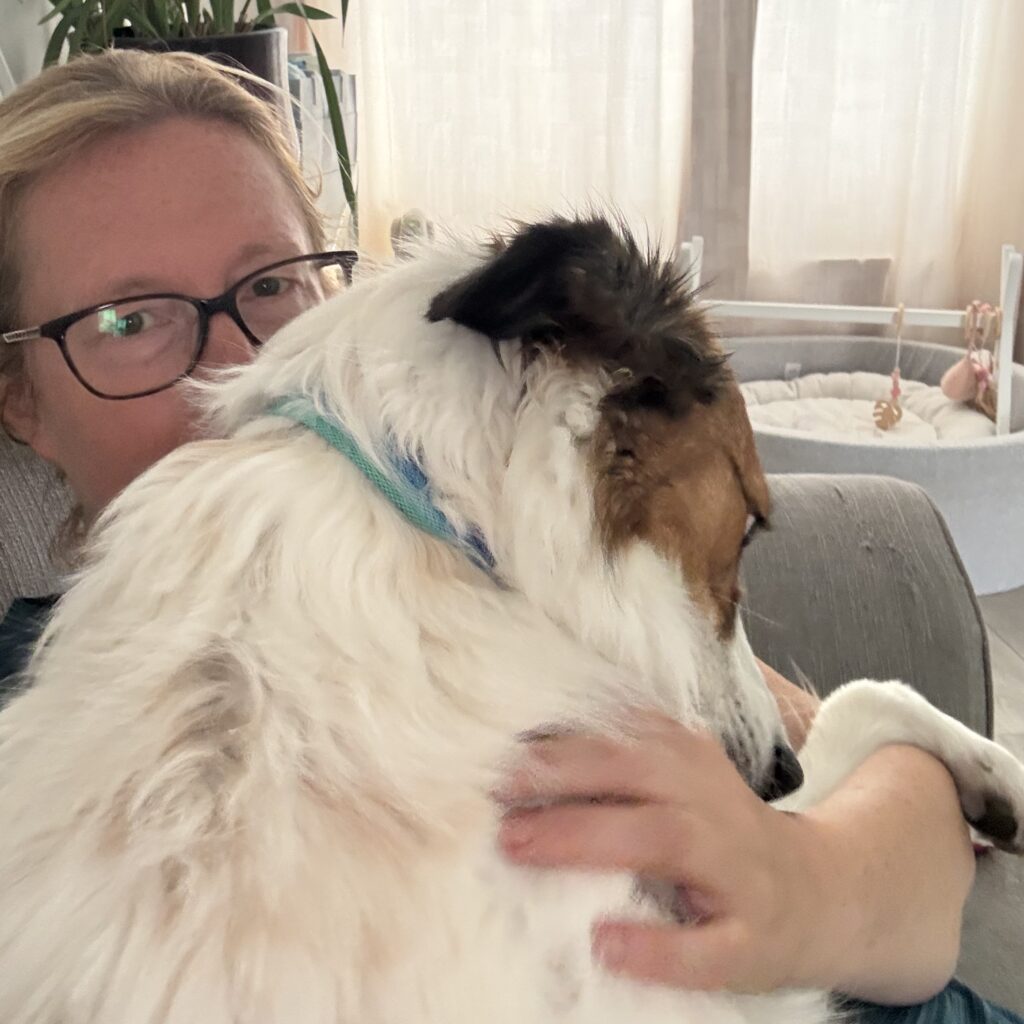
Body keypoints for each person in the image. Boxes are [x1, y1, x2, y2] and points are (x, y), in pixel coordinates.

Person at [0, 49, 1017, 1024]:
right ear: (20, 401)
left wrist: (809, 883)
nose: (231, 361)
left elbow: (905, 833)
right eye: (128, 322)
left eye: (271, 284)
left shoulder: (530, 552)